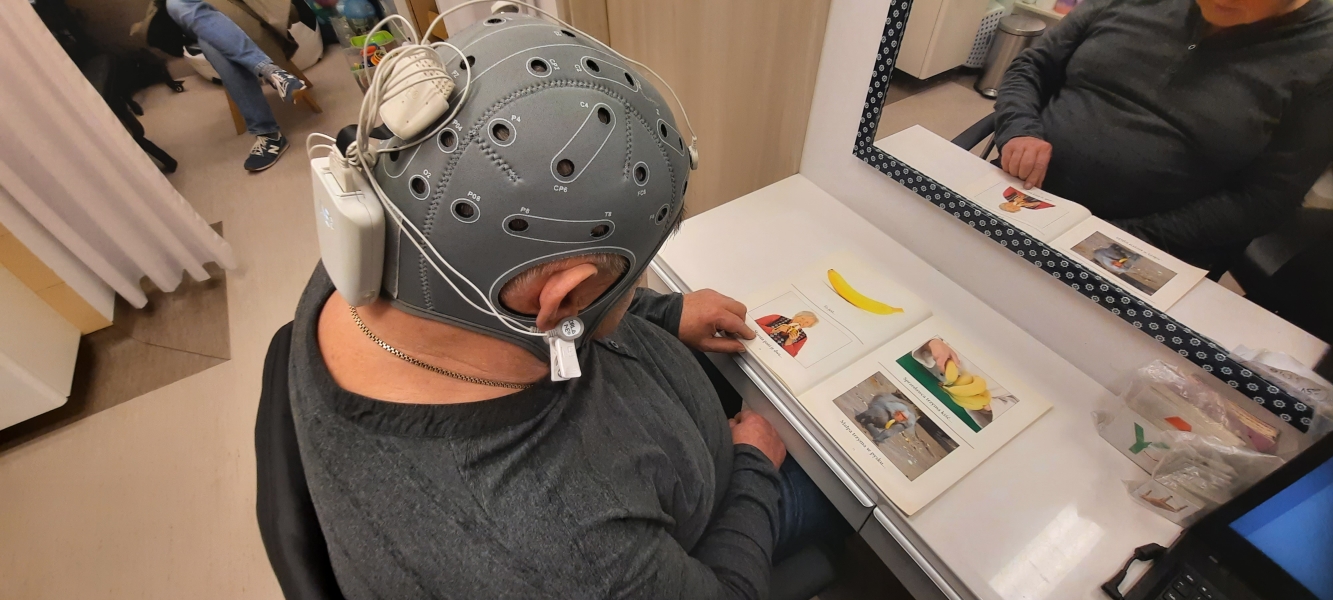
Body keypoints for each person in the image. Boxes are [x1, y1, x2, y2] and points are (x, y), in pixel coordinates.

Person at [288, 14, 848, 599]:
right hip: (725, 498)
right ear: (563, 300)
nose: (637, 287)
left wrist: (666, 313)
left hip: (671, 438)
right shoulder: (561, 554)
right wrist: (755, 465)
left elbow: (532, 293)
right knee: (839, 498)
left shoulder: (387, 251)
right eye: (635, 274)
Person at [993, 0, 1333, 269]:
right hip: (1025, 191)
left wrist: (1127, 235)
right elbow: (1032, 66)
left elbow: (1267, 199)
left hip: (1149, 242)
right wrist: (1019, 129)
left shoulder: (1322, 58)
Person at [165, 0, 307, 172]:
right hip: (202, 17)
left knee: (210, 42)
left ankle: (268, 134)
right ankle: (272, 72)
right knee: (192, 19)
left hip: (245, 10)